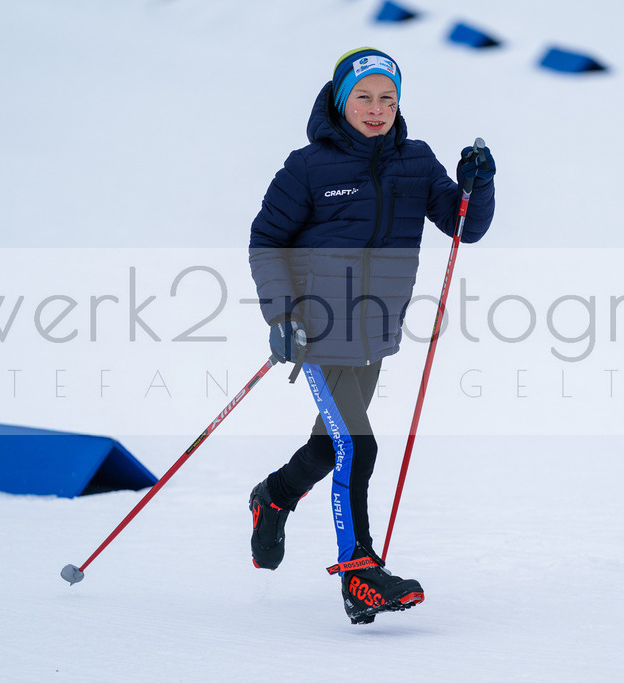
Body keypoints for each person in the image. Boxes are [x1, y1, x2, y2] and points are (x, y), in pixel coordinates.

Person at [246, 47, 496, 624]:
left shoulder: (416, 161)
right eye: (364, 97)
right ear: (342, 101)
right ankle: (358, 574)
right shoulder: (307, 167)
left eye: (388, 98)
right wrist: (281, 316)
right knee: (358, 444)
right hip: (317, 328)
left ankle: (274, 497)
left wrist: (476, 185)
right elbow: (266, 242)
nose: (377, 109)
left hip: (376, 329)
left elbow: (463, 224)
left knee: (331, 443)